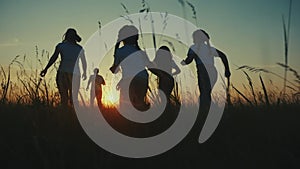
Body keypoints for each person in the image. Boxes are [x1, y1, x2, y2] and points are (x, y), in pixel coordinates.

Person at [181, 29, 231, 107]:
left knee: (204, 93)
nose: (193, 39)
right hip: (212, 71)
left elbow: (189, 59)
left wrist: (184, 62)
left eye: (193, 37)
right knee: (206, 93)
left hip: (203, 72)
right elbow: (223, 56)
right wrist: (227, 70)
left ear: (196, 38)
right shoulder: (209, 49)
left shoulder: (194, 47)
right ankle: (209, 109)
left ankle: (206, 110)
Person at [110, 25, 153, 111]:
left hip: (129, 80)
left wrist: (116, 47)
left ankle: (129, 122)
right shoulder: (141, 52)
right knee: (139, 103)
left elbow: (115, 70)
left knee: (126, 105)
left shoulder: (120, 51)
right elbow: (148, 66)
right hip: (143, 78)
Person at [40, 28, 87, 106]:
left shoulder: (61, 46)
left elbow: (54, 58)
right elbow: (84, 62)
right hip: (74, 74)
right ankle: (71, 116)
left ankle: (65, 114)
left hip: (63, 73)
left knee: (64, 98)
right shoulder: (79, 48)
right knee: (73, 98)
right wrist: (84, 72)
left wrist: (46, 69)